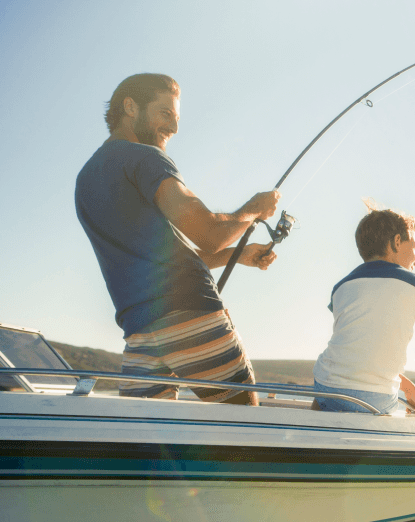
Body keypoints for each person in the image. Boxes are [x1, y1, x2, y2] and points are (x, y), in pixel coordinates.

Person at [75, 73, 280, 405]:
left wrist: (238, 255)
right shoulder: (145, 158)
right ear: (130, 107)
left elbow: (155, 258)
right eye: (165, 114)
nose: (174, 128)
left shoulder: (85, 181)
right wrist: (255, 209)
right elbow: (210, 233)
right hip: (190, 312)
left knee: (151, 445)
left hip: (140, 333)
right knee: (242, 431)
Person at [312, 207, 415, 417]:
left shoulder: (341, 287)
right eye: (414, 247)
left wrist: (408, 388)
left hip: (326, 391)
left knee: (328, 377)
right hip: (376, 400)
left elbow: (358, 353)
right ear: (396, 242)